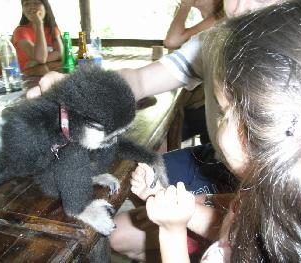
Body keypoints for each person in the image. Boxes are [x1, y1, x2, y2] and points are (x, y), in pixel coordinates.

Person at [26, 0, 285, 261]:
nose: (239, 9)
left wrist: (196, 213)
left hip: (267, 188)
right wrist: (84, 89)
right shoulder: (216, 40)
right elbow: (140, 79)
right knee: (134, 179)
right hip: (217, 162)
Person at [142, 0, 301, 261]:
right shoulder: (267, 196)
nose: (239, 8)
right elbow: (232, 225)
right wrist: (184, 211)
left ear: (253, 130)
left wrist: (171, 231)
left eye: (224, 112)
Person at [164, 0, 224, 145]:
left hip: (213, 110)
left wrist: (185, 6)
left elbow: (172, 41)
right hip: (207, 105)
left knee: (163, 128)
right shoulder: (211, 20)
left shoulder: (218, 19)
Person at [12, 0, 63, 70]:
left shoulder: (52, 29)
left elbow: (61, 53)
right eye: (26, 4)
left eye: (36, 3)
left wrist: (36, 61)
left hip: (49, 73)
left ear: (46, 7)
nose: (31, 7)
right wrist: (39, 25)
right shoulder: (20, 32)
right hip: (28, 76)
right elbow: (41, 58)